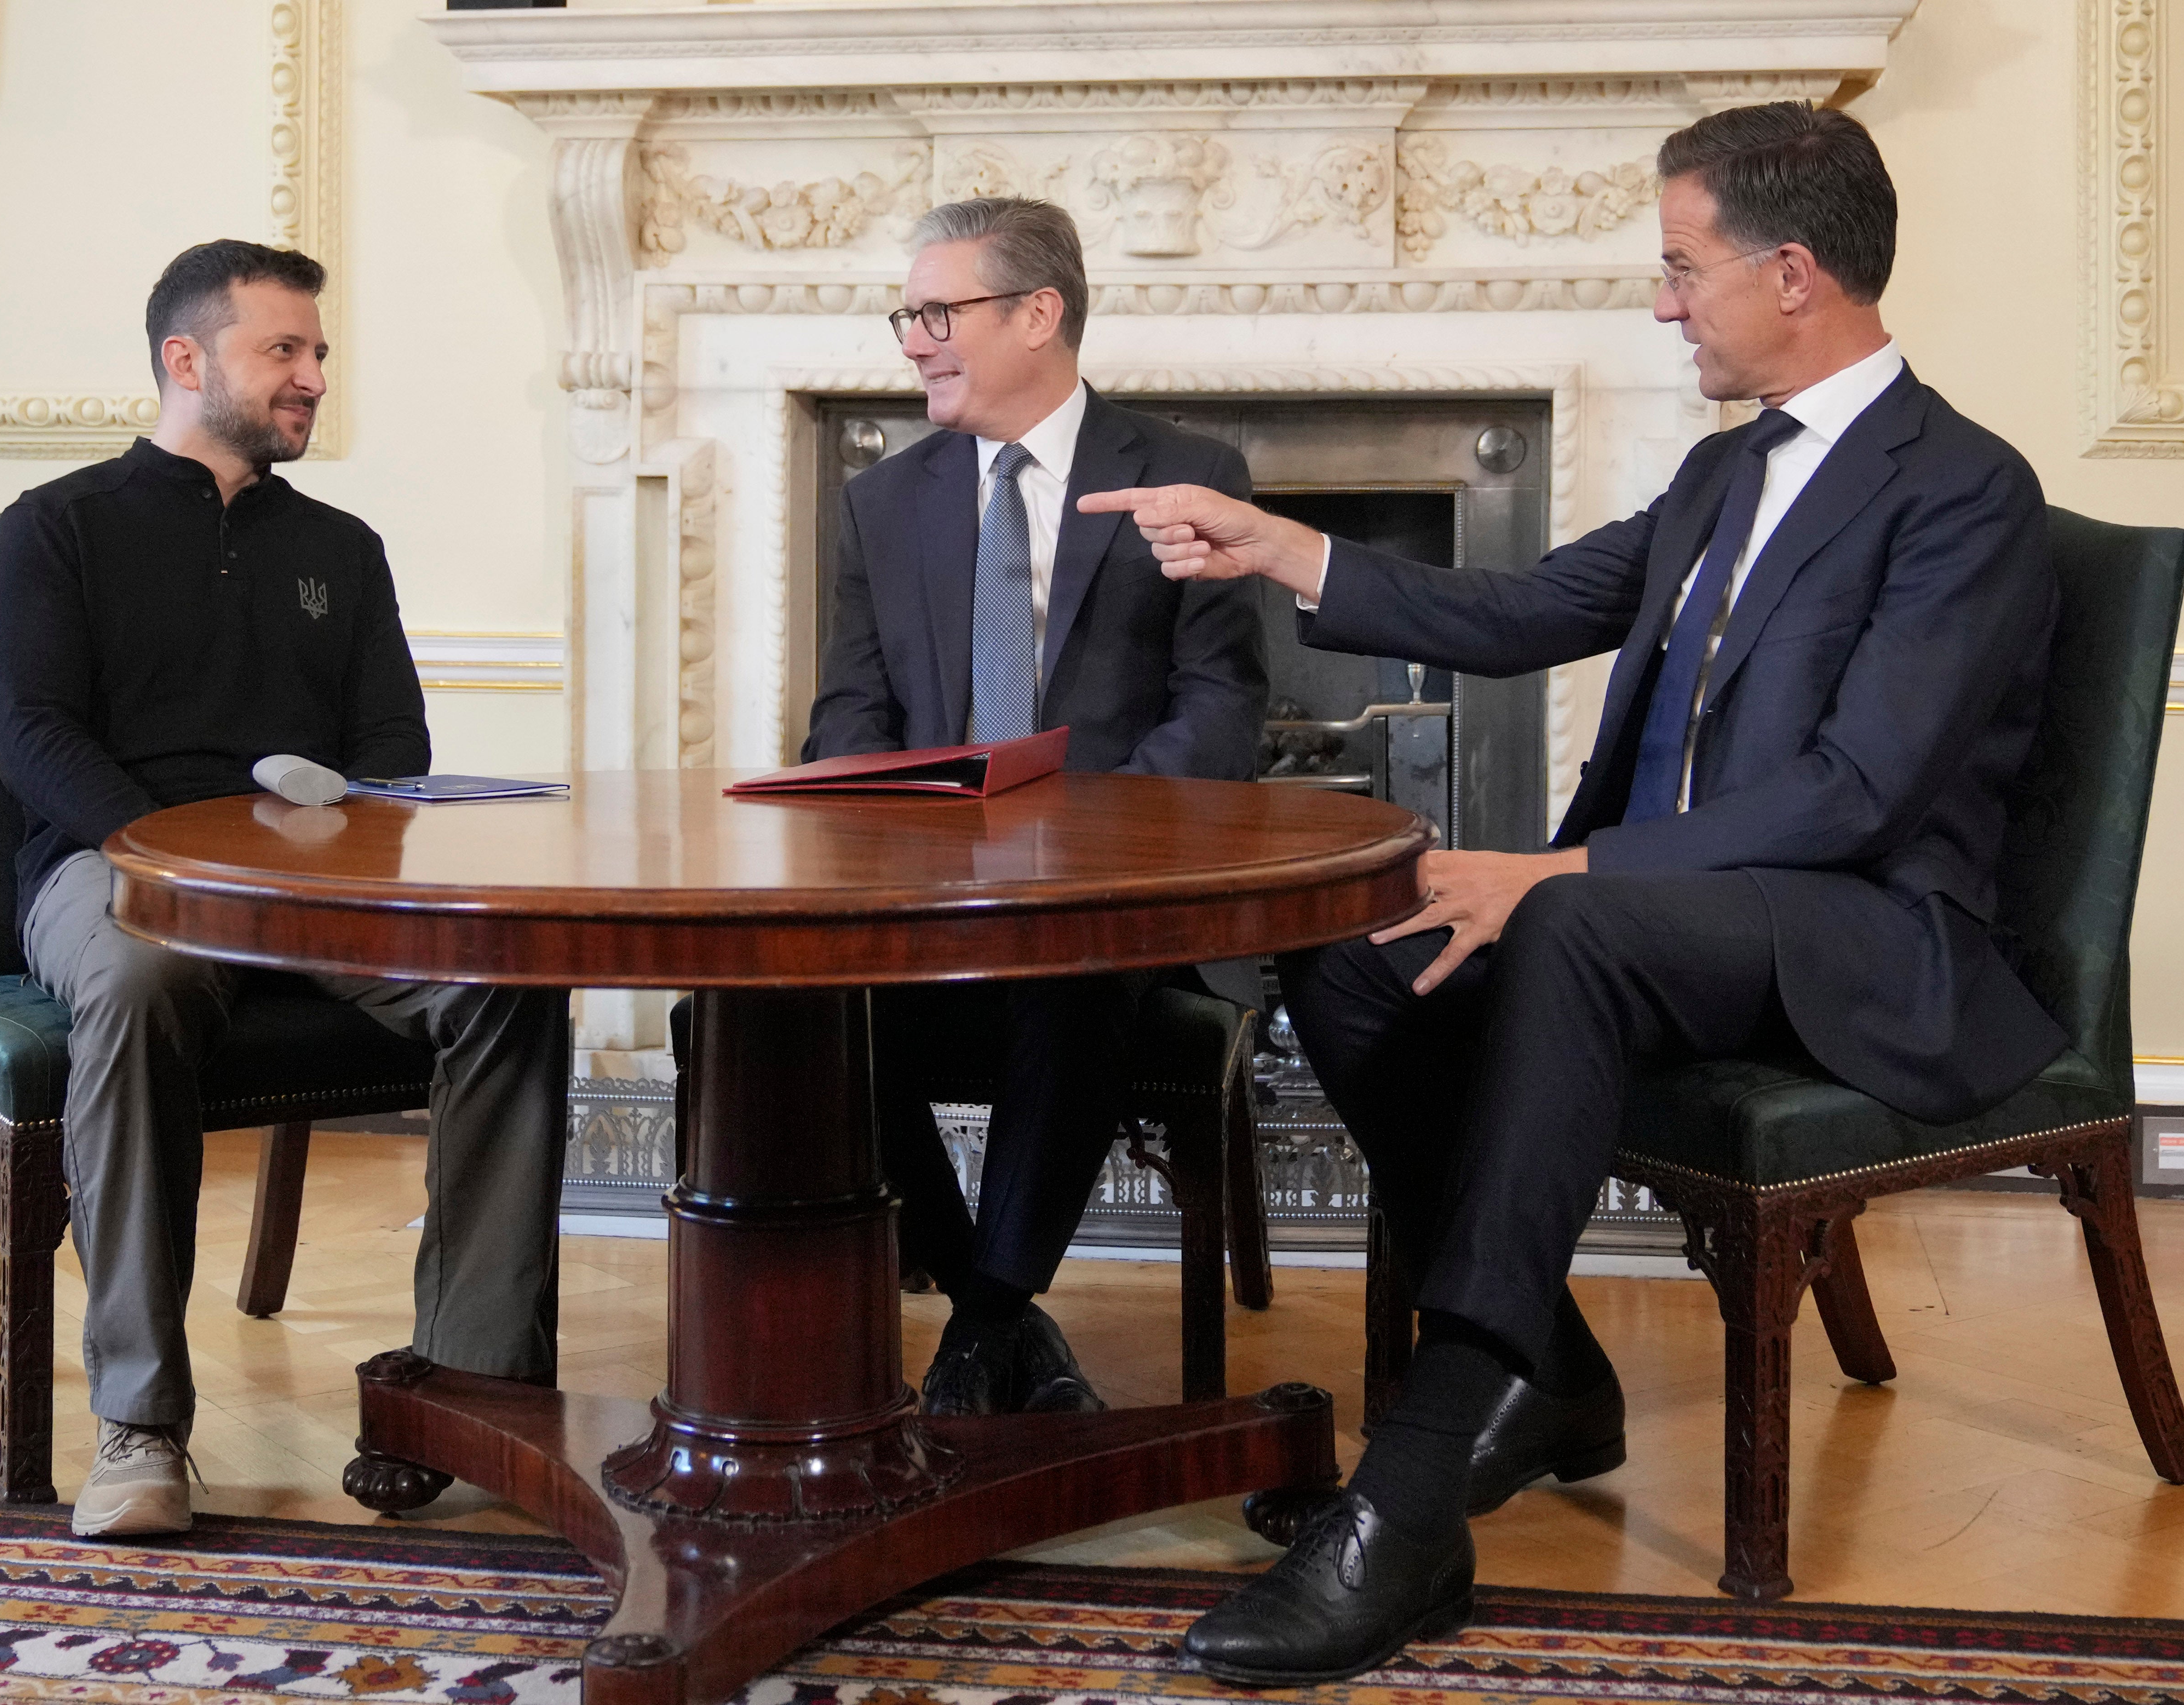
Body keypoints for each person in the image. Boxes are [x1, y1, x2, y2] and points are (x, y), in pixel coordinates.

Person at [1082, 103, 2066, 1680]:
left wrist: (1560, 868)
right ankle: (1545, 1371)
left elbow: (1857, 793)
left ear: (1794, 271)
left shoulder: (1963, 491)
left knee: (1564, 921)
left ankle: (1404, 1506)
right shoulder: (1719, 478)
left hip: (1864, 931)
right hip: (1664, 918)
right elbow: (1523, 604)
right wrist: (1278, 544)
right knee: (1359, 945)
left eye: (1682, 268)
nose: (1662, 303)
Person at [0, 240, 572, 1539]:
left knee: (508, 979)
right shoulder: (56, 529)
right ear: (186, 361)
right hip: (112, 874)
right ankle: (139, 1425)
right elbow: (34, 739)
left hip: (318, 890)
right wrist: (193, 866)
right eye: (282, 352)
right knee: (136, 980)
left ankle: (469, 1394)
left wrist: (310, 864)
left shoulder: (342, 549)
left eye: (317, 354)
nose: (311, 377)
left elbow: (392, 754)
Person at [801, 196, 1267, 1415]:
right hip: (926, 894)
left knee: (1070, 968)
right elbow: (849, 717)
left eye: (938, 313)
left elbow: (1219, 717)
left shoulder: (1191, 479)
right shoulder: (884, 501)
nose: (913, 341)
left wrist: (1087, 839)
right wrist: (897, 836)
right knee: (789, 997)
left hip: (1116, 904)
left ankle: (983, 1328)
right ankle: (992, 1305)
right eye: (908, 315)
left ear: (1038, 314)